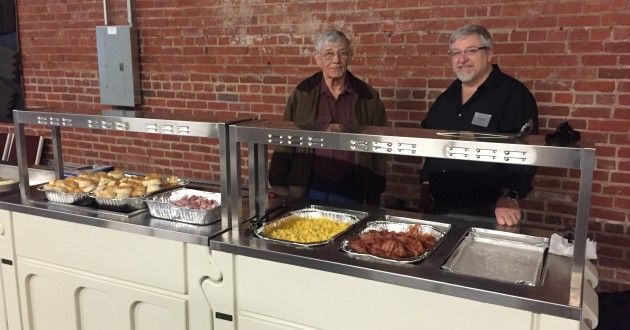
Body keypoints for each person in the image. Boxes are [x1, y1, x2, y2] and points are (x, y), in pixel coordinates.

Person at [421, 24, 539, 226]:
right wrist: (426, 180)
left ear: (489, 53)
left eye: (471, 51)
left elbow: (526, 152)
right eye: (456, 53)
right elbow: (429, 140)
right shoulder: (446, 98)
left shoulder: (513, 95)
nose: (462, 58)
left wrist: (510, 195)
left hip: (488, 211)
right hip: (440, 207)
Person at [268, 29, 387, 206]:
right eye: (329, 54)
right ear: (318, 58)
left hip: (352, 188)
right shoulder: (303, 94)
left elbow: (380, 147)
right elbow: (286, 141)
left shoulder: (368, 97)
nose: (336, 60)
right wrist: (279, 185)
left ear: (350, 56)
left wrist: (374, 189)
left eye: (342, 53)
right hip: (310, 186)